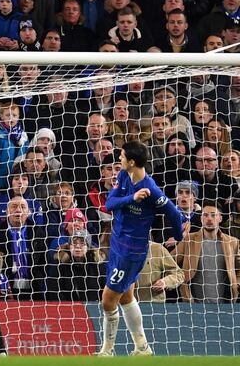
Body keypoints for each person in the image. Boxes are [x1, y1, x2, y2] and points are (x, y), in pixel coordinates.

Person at [97, 141, 184, 357]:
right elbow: (109, 204)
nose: (119, 159)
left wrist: (179, 237)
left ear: (132, 161)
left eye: (122, 156)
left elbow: (175, 215)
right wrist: (131, 198)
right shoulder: (125, 176)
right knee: (126, 297)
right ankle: (142, 348)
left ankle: (107, 351)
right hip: (117, 245)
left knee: (108, 301)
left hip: (131, 252)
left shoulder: (152, 190)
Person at [173, 203, 240, 303]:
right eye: (205, 215)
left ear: (220, 218)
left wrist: (237, 284)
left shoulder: (232, 242)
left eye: (213, 215)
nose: (209, 218)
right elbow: (169, 262)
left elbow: (239, 269)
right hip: (194, 306)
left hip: (225, 306)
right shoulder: (188, 239)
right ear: (201, 218)